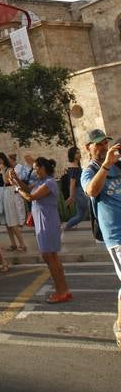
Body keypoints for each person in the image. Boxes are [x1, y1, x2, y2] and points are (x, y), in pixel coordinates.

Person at [81, 129, 121, 348]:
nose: (103, 147)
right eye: (97, 144)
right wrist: (106, 165)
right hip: (116, 235)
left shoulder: (117, 166)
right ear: (88, 147)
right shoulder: (90, 170)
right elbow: (91, 191)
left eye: (105, 143)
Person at [12, 158, 72, 303]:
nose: (33, 171)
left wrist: (17, 189)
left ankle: (61, 291)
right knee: (50, 257)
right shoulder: (40, 182)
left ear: (43, 168)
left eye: (35, 168)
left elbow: (30, 196)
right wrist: (15, 180)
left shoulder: (49, 182)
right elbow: (27, 188)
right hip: (42, 222)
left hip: (48, 223)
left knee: (50, 257)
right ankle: (63, 290)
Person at [63, 146, 88, 231]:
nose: (79, 154)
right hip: (78, 191)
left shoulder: (76, 165)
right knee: (91, 207)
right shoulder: (73, 166)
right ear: (72, 155)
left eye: (79, 152)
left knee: (80, 216)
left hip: (79, 191)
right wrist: (71, 196)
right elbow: (72, 183)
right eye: (77, 153)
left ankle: (65, 227)